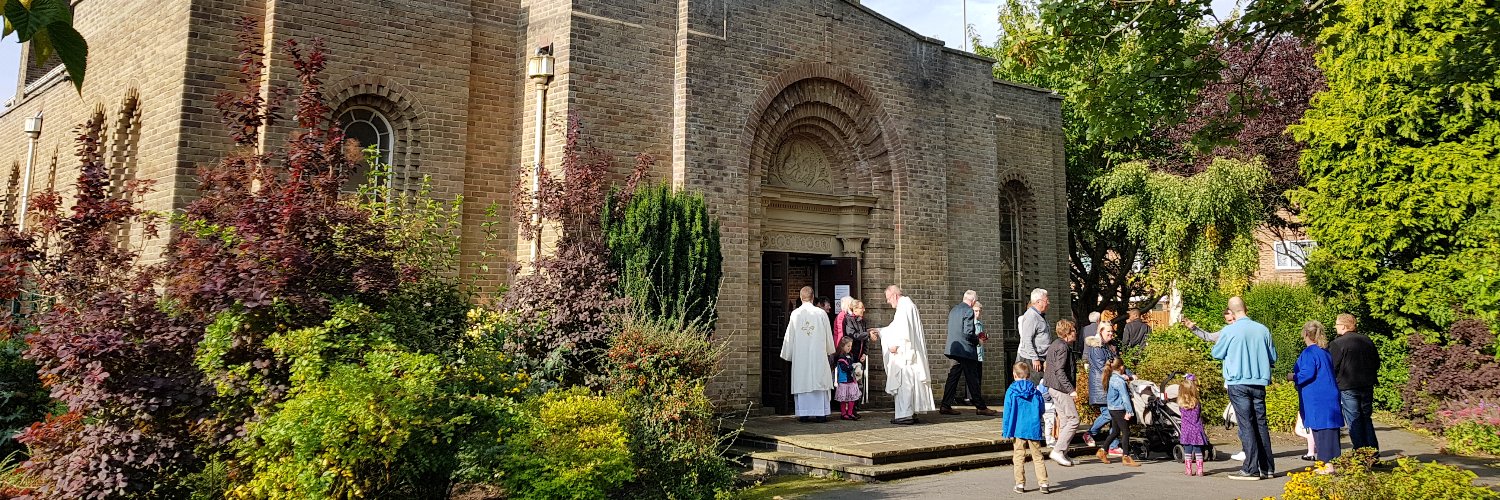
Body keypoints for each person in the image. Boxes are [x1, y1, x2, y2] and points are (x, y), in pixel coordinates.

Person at [1210, 296, 1277, 480]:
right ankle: (1267, 467)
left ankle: (1250, 468)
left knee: (1246, 425)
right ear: (1245, 308)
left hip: (1238, 381)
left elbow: (1216, 353)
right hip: (1259, 382)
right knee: (1261, 424)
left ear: (1231, 312)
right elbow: (1272, 357)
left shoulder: (1229, 330)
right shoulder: (1263, 329)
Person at [871, 285, 937, 425]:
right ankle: (909, 413)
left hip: (905, 354)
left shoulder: (905, 306)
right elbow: (896, 328)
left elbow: (905, 331)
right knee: (908, 383)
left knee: (904, 384)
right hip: (907, 352)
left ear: (894, 295)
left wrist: (897, 345)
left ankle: (905, 415)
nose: (888, 302)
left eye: (888, 298)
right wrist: (880, 330)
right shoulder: (906, 305)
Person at [1292, 320, 1343, 474]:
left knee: (1321, 429)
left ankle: (1326, 465)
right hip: (1329, 393)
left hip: (1317, 396)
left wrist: (1293, 377)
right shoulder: (1324, 351)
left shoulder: (1309, 352)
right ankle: (1331, 464)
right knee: (1330, 429)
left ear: (1306, 334)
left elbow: (1307, 373)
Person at [780, 286, 836, 423]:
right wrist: (830, 349)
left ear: (800, 297)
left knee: (803, 380)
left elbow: (790, 335)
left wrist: (787, 353)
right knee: (818, 379)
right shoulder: (821, 313)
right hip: (818, 355)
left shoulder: (795, 314)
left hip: (801, 356)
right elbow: (828, 334)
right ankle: (820, 414)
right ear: (812, 298)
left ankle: (804, 414)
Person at [1329, 313, 1380, 454]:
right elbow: (1376, 363)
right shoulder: (1367, 340)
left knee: (1354, 420)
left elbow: (1332, 366)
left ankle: (1361, 453)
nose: (1335, 327)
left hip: (1348, 385)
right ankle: (1373, 453)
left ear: (1344, 326)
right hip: (1367, 384)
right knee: (1366, 418)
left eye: (1337, 324)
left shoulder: (1337, 343)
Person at [942, 290, 998, 416]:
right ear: (973, 301)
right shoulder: (968, 310)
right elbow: (967, 333)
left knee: (953, 377)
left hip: (954, 349)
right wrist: (977, 340)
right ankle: (981, 407)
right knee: (973, 378)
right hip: (966, 350)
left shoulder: (954, 310)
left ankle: (945, 405)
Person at [1001, 362, 1051, 494]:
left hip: (1018, 428)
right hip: (1033, 427)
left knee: (1018, 456)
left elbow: (1007, 412)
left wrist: (1006, 430)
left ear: (1014, 375)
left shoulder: (1011, 391)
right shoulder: (1036, 391)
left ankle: (1020, 484)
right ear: (1028, 375)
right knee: (1038, 456)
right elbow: (1041, 409)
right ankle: (1044, 483)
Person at [1083, 310, 1123, 455]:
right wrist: (1119, 376)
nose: (1111, 334)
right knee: (1108, 414)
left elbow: (1118, 364)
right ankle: (1090, 433)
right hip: (1101, 387)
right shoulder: (1096, 348)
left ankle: (1113, 444)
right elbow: (1102, 368)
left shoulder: (1109, 347)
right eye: (1108, 332)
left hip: (1109, 386)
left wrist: (1130, 374)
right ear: (1100, 332)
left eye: (1112, 332)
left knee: (1114, 414)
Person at [1043, 319, 1080, 467]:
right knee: (1074, 419)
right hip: (1061, 388)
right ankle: (1058, 451)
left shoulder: (1056, 344)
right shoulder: (1063, 347)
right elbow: (1059, 370)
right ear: (1068, 333)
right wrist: (1070, 390)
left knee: (1064, 420)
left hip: (1053, 387)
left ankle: (1063, 454)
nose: (1076, 333)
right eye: (1074, 330)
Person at [1096, 357, 1140, 467]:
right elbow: (1125, 397)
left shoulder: (1111, 378)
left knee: (1115, 431)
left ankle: (1102, 451)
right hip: (1120, 409)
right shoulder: (1120, 381)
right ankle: (1126, 457)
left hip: (1112, 408)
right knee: (1126, 432)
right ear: (1121, 367)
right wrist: (1129, 411)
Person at [1016, 289, 1052, 383]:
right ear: (1038, 302)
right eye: (1046, 300)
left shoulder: (1040, 315)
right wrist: (1034, 358)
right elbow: (1026, 339)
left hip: (1041, 358)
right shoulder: (1031, 316)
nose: (1048, 303)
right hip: (1032, 360)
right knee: (1035, 387)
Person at [1178, 374, 1209, 476]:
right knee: (1198, 450)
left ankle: (1188, 470)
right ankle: (1200, 470)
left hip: (1186, 430)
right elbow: (1198, 414)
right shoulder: (1197, 403)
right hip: (1196, 429)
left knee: (1187, 451)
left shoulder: (1181, 404)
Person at [834, 337, 863, 421]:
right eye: (848, 346)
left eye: (851, 346)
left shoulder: (850, 355)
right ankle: (843, 413)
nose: (850, 348)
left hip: (851, 380)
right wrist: (853, 366)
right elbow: (844, 368)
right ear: (842, 346)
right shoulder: (841, 357)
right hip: (843, 380)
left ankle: (850, 413)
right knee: (843, 399)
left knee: (852, 398)